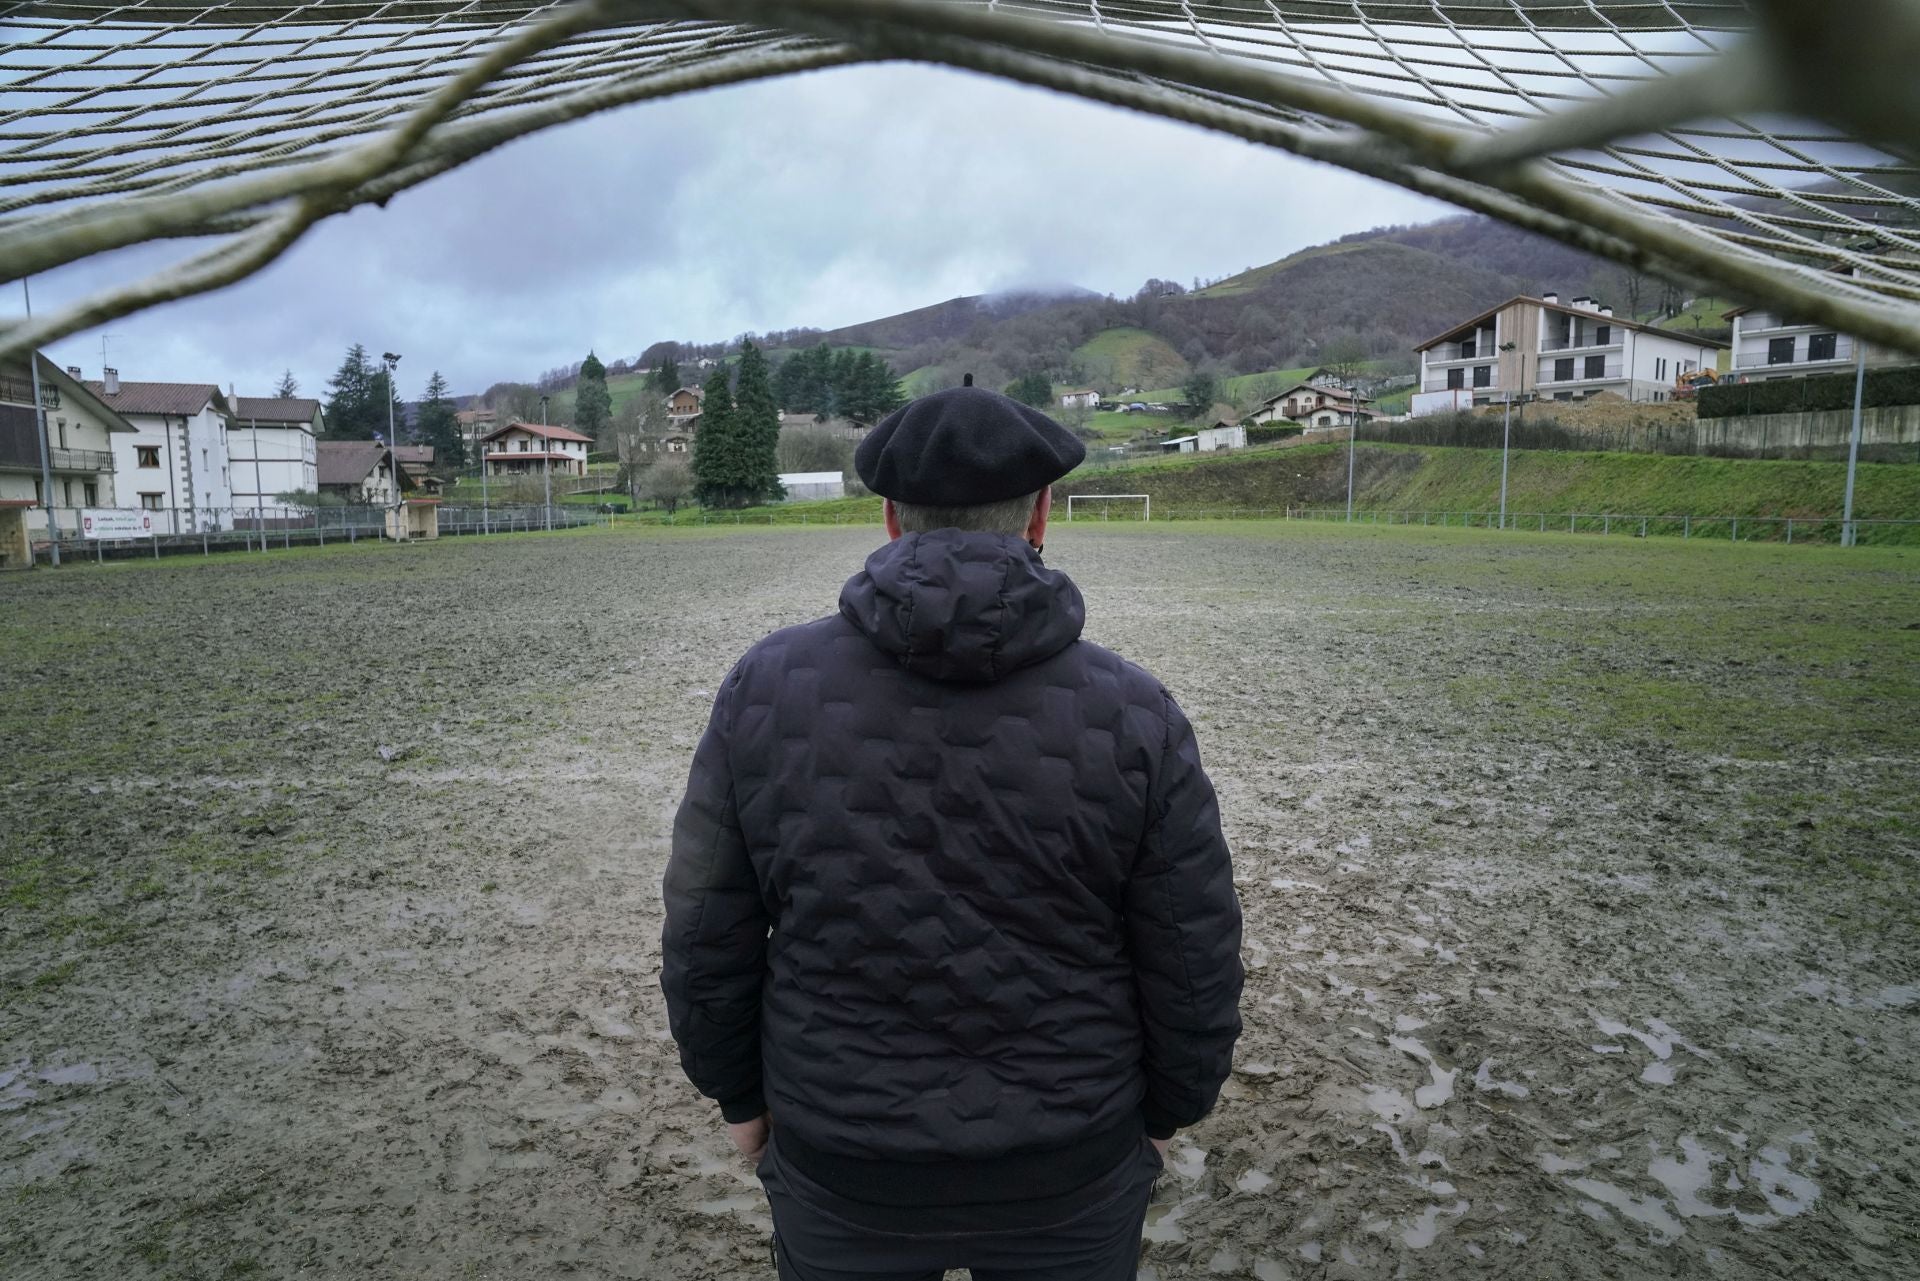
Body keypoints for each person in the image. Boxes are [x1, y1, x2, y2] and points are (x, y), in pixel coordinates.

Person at [661, 377, 1244, 1280]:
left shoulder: (766, 687)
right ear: (1042, 514)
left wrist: (737, 1095)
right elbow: (1190, 948)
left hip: (845, 1163)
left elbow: (706, 925)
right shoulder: (1136, 711)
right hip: (1070, 1167)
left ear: (892, 519)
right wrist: (1169, 1111)